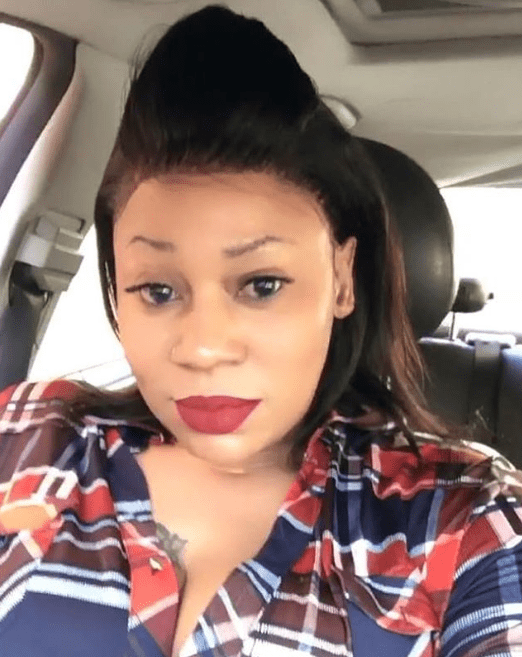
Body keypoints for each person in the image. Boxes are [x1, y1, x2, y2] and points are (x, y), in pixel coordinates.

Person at [0, 5, 521, 657]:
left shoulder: (465, 522)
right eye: (158, 291)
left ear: (341, 279)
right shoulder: (27, 440)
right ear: (115, 290)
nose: (204, 347)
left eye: (262, 284)